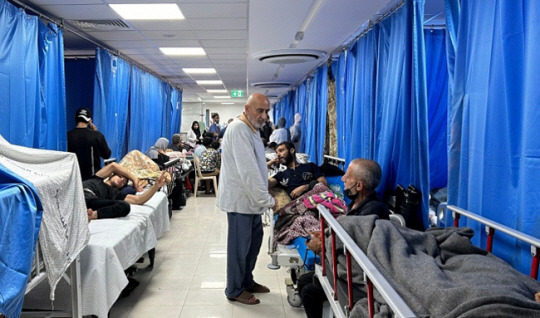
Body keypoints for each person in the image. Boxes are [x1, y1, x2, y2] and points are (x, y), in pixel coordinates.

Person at [297, 159, 389, 318]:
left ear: (359, 186)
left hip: (361, 278)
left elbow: (360, 250)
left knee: (308, 292)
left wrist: (323, 245)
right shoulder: (355, 204)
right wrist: (325, 236)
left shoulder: (373, 212)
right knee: (304, 280)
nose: (342, 179)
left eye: (347, 176)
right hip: (344, 264)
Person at [216, 93, 277, 305]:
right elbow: (248, 171)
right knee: (239, 249)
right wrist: (269, 201)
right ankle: (234, 289)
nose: (264, 116)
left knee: (253, 245)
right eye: (259, 110)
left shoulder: (252, 130)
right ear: (247, 108)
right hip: (240, 201)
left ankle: (246, 281)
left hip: (252, 201)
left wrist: (267, 185)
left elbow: (257, 165)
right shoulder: (238, 129)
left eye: (266, 111)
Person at [85, 162, 167, 220]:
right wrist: (134, 179)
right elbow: (113, 166)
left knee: (125, 206)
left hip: (91, 201)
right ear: (111, 175)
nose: (121, 180)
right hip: (78, 193)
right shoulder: (97, 178)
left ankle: (90, 215)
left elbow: (138, 200)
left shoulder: (115, 193)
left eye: (124, 182)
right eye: (120, 176)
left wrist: (156, 186)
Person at [67, 107, 112, 181]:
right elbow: (107, 155)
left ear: (75, 118)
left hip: (73, 180)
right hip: (93, 180)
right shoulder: (97, 136)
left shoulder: (67, 136)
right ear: (90, 121)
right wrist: (96, 133)